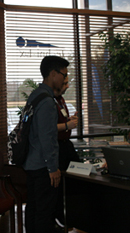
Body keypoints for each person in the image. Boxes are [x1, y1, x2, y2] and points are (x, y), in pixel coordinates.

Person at [23, 56, 69, 233]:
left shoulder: (35, 96)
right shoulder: (48, 102)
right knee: (44, 213)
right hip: (43, 167)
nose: (65, 79)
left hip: (31, 163)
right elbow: (47, 138)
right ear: (52, 74)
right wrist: (53, 168)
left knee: (33, 208)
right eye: (63, 75)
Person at [54, 75, 80, 228]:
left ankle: (76, 214)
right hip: (56, 147)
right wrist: (66, 126)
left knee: (79, 176)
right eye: (64, 83)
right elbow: (47, 129)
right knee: (58, 186)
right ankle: (59, 218)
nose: (67, 86)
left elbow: (60, 122)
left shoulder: (61, 100)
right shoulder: (48, 101)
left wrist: (69, 121)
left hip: (66, 145)